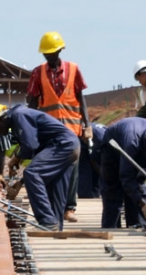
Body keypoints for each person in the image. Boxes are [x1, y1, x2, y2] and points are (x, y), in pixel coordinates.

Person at [0, 103, 79, 230]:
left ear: (0, 119)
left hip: (61, 145)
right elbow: (35, 149)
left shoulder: (19, 115)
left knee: (31, 173)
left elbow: (30, 145)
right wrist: (21, 182)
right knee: (54, 186)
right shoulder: (19, 117)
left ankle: (47, 222)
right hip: (70, 145)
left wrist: (17, 158)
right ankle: (54, 227)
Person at [27, 31, 89, 223]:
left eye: (52, 53)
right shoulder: (37, 73)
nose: (49, 57)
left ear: (60, 51)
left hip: (72, 129)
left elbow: (81, 98)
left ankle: (69, 208)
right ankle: (54, 207)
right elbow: (32, 102)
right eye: (46, 54)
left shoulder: (73, 69)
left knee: (72, 169)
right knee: (50, 169)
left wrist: (87, 125)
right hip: (49, 132)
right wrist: (31, 128)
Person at [98, 118, 146, 229]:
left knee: (139, 185)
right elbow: (126, 176)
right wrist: (143, 204)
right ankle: (110, 228)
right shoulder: (132, 142)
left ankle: (137, 225)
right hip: (112, 149)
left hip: (137, 145)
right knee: (113, 191)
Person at [78, 122, 106, 199]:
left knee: (100, 172)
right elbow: (93, 159)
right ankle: (85, 195)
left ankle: (95, 193)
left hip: (92, 137)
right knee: (85, 170)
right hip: (83, 140)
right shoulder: (102, 141)